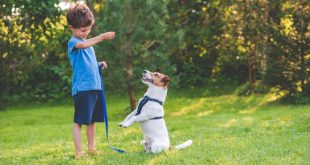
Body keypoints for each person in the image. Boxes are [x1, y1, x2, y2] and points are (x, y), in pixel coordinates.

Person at [66, 2, 115, 159]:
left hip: (94, 86)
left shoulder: (88, 44)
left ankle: (91, 148)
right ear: (71, 28)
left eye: (89, 29)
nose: (86, 33)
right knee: (79, 121)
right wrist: (100, 37)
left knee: (91, 120)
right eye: (83, 30)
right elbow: (84, 44)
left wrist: (98, 64)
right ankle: (79, 151)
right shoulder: (73, 42)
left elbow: (87, 61)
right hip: (83, 88)